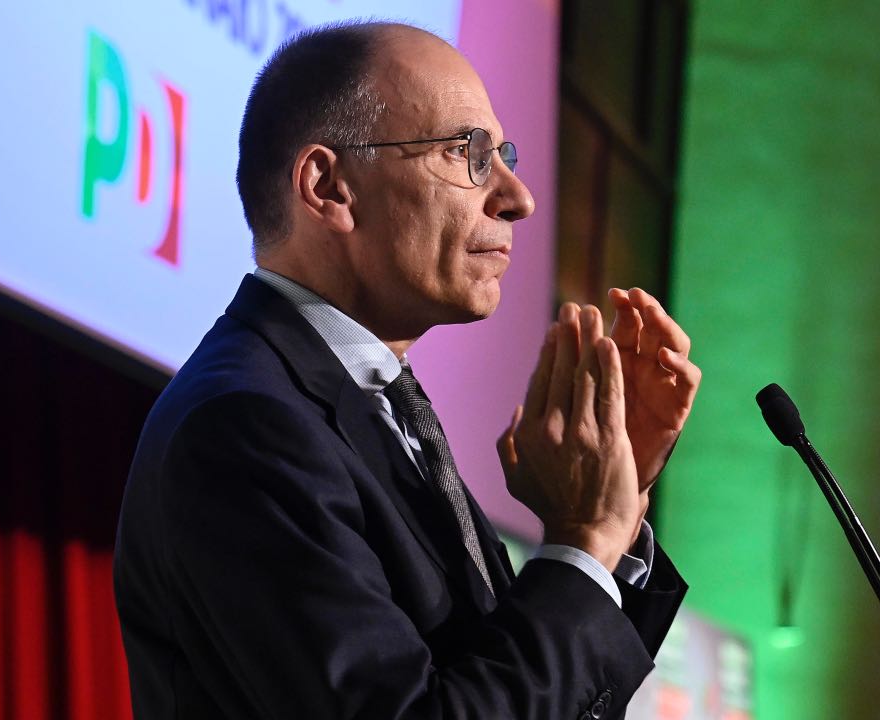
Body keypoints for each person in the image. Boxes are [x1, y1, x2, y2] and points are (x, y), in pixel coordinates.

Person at [113, 20, 701, 720]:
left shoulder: (376, 408)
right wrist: (583, 540)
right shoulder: (244, 426)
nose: (518, 197)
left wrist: (614, 504)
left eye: (502, 155)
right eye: (465, 152)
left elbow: (515, 684)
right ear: (329, 187)